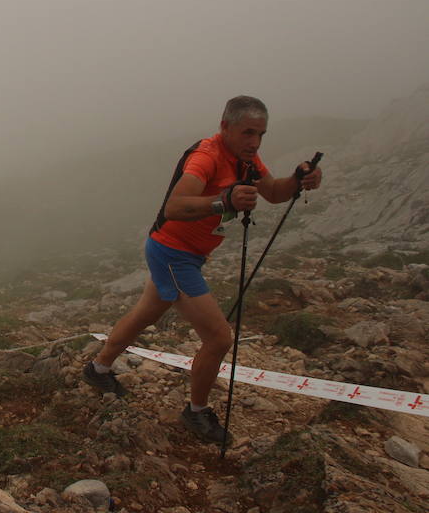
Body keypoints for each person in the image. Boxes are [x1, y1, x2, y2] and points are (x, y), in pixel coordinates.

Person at [82, 96, 322, 445]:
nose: (254, 142)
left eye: (261, 134)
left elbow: (273, 192)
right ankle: (196, 413)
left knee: (145, 314)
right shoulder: (206, 157)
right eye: (247, 132)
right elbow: (175, 206)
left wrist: (298, 179)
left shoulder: (247, 158)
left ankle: (98, 369)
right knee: (220, 338)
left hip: (185, 254)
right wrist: (223, 201)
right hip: (173, 253)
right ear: (225, 126)